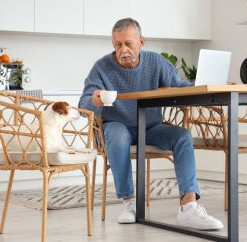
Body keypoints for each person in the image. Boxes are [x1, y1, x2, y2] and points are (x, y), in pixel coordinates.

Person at [78, 18, 223, 230]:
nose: (123, 50)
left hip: (151, 127)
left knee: (182, 136)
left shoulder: (156, 62)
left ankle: (189, 207)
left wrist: (206, 84)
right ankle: (129, 203)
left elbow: (179, 86)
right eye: (118, 45)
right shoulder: (101, 68)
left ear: (141, 42)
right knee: (117, 135)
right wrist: (95, 99)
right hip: (116, 126)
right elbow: (83, 105)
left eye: (128, 43)